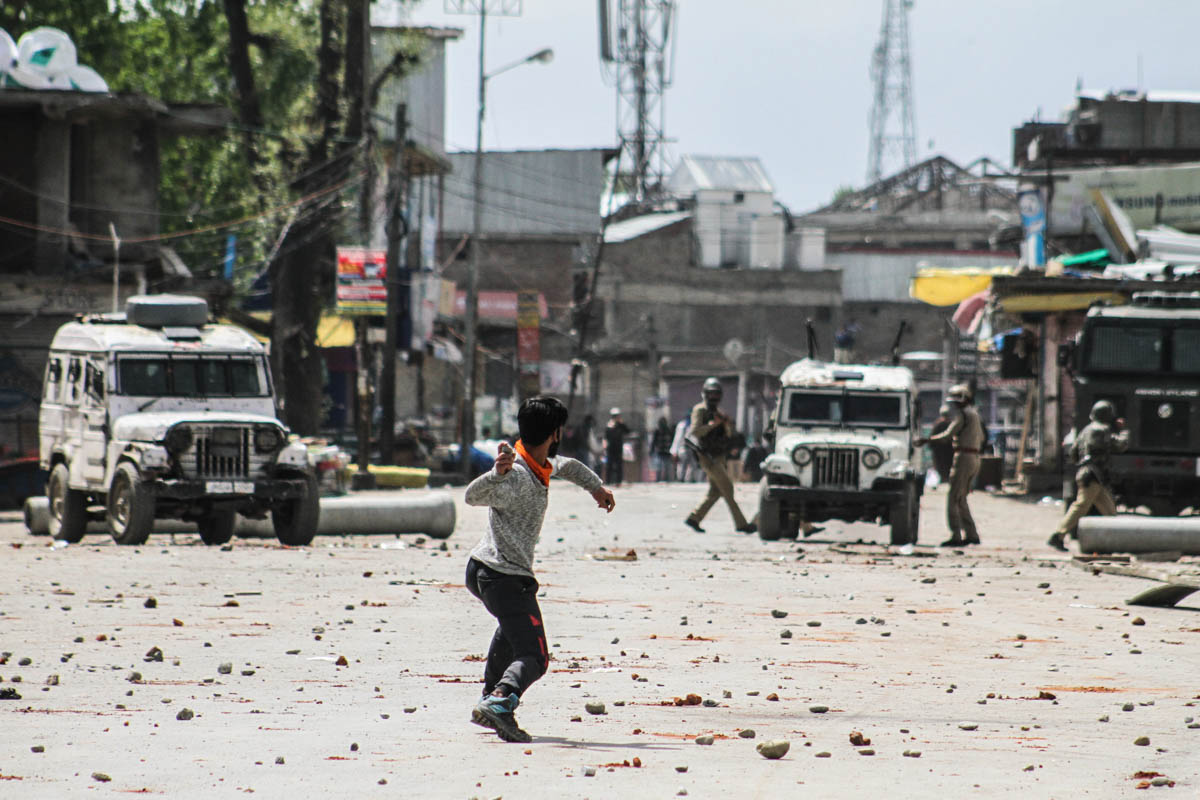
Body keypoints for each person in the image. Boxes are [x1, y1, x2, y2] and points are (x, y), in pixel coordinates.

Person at [464, 396, 616, 743]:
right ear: (556, 433)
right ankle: (500, 701)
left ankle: (489, 700)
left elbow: (572, 467)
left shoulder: (540, 463)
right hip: (504, 577)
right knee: (535, 655)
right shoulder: (516, 475)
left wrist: (596, 488)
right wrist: (496, 473)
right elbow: (472, 496)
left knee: (511, 630)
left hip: (483, 569)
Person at [1048, 400, 1129, 552]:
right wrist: (1123, 431)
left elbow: (1073, 453)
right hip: (1093, 476)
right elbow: (1120, 445)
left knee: (1110, 511)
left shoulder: (1085, 430)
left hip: (1088, 475)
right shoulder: (1102, 430)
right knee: (1081, 506)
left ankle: (1114, 542)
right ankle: (1058, 535)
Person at [915, 384, 985, 547]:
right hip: (974, 457)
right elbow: (982, 438)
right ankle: (971, 533)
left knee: (953, 498)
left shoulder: (963, 415)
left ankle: (956, 535)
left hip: (963, 458)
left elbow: (947, 435)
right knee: (961, 498)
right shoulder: (974, 414)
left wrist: (927, 440)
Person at [684, 377, 756, 534]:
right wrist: (712, 425)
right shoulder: (700, 410)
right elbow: (695, 431)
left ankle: (694, 518)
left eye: (717, 394)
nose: (714, 397)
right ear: (705, 394)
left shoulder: (718, 413)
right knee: (728, 489)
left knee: (715, 492)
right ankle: (741, 524)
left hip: (720, 456)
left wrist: (726, 424)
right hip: (708, 457)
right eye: (711, 394)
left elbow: (729, 436)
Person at [927, 404, 955, 485]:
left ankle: (944, 479)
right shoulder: (951, 424)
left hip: (940, 452)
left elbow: (932, 439)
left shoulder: (938, 424)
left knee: (942, 468)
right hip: (948, 452)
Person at [603, 408, 629, 485]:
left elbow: (627, 431)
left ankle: (618, 481)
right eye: (615, 416)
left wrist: (622, 424)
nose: (616, 417)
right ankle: (608, 481)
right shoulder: (609, 425)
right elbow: (606, 436)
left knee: (619, 465)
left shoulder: (621, 425)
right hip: (610, 448)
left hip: (618, 448)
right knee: (609, 465)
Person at [650, 417, 674, 482]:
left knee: (666, 466)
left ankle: (666, 479)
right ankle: (659, 479)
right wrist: (651, 450)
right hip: (660, 451)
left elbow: (672, 441)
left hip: (666, 451)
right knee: (660, 466)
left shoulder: (668, 430)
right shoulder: (657, 431)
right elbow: (654, 441)